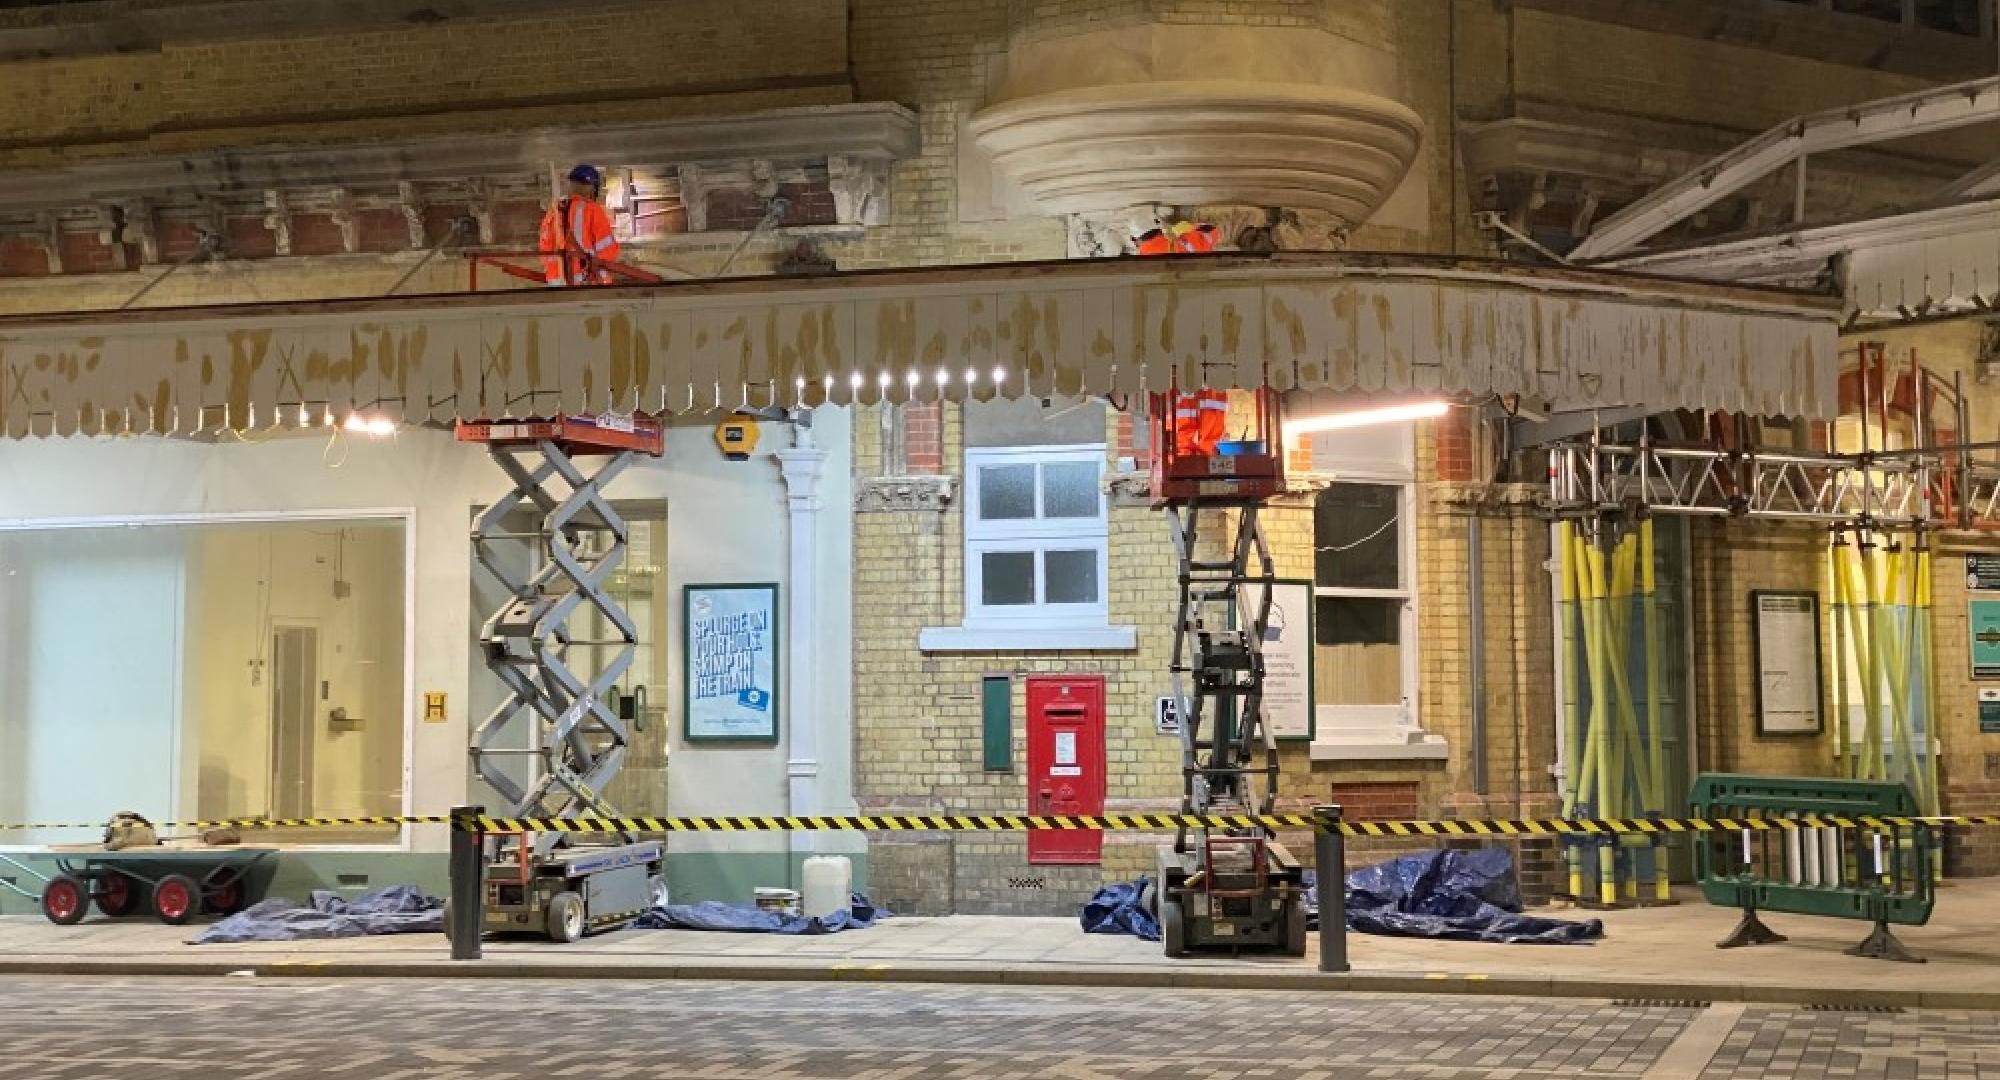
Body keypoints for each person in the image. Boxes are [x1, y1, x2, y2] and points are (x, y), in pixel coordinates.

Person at [539, 164, 620, 286]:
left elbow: (544, 247)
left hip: (556, 282)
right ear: (592, 188)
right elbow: (607, 250)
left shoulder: (554, 211)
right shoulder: (592, 210)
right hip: (586, 281)